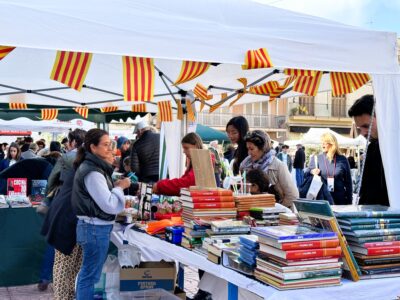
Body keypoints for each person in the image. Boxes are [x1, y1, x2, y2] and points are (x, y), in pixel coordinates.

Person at [72, 129, 131, 299]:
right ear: (93, 147)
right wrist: (120, 187)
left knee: (89, 275)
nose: (110, 149)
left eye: (110, 144)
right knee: (89, 276)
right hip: (94, 229)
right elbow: (109, 205)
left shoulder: (94, 168)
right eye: (105, 145)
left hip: (93, 228)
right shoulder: (93, 172)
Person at [41, 129, 86, 299]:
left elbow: (52, 179)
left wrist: (47, 198)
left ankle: (62, 295)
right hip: (71, 213)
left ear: (73, 142)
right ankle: (67, 295)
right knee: (71, 262)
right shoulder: (88, 162)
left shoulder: (68, 158)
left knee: (63, 260)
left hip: (63, 208)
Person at [239, 130, 298, 209]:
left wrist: (277, 211)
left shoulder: (278, 166)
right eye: (248, 149)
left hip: (276, 215)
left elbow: (292, 195)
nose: (249, 153)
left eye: (252, 149)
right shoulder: (246, 165)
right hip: (252, 213)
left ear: (263, 148)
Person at [348, 94, 389, 206]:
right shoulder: (372, 149)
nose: (363, 133)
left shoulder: (393, 147)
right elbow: (366, 193)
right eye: (359, 128)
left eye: (366, 126)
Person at [153, 132, 204, 196]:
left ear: (196, 146)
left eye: (186, 148)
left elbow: (186, 183)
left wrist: (160, 186)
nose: (184, 151)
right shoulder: (197, 162)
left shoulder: (203, 162)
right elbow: (183, 182)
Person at [309, 133, 353, 205]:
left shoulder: (343, 159)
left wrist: (349, 201)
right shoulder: (317, 158)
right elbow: (306, 173)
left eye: (325, 142)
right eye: (322, 142)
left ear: (332, 144)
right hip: (322, 200)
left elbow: (348, 182)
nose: (322, 144)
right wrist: (312, 171)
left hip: (340, 200)